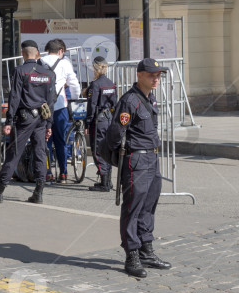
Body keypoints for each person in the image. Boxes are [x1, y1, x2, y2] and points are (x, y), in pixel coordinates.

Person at [105, 57, 172, 278]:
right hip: (137, 161)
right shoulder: (129, 101)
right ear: (140, 75)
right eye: (152, 75)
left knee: (148, 207)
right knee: (132, 208)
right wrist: (123, 159)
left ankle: (146, 249)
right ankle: (131, 253)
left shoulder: (149, 99)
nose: (156, 79)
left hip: (152, 160)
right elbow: (115, 134)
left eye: (158, 75)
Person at [0, 40, 55, 204]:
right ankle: (38, 194)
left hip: (25, 118)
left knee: (13, 154)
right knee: (40, 153)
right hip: (41, 119)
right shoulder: (48, 74)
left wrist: (9, 121)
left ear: (23, 54)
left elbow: (14, 98)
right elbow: (50, 100)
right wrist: (49, 124)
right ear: (37, 53)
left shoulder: (20, 71)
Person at [41, 39, 80, 183]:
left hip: (43, 109)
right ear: (60, 51)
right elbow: (74, 84)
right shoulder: (64, 63)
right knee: (61, 141)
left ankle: (47, 172)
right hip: (60, 107)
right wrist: (74, 98)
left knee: (45, 141)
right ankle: (63, 173)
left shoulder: (40, 62)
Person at [86, 56, 118, 192]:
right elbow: (115, 103)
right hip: (109, 119)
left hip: (98, 121)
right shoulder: (110, 83)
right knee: (107, 149)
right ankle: (108, 181)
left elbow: (92, 105)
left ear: (95, 68)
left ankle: (105, 183)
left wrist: (87, 123)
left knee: (98, 150)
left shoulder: (95, 84)